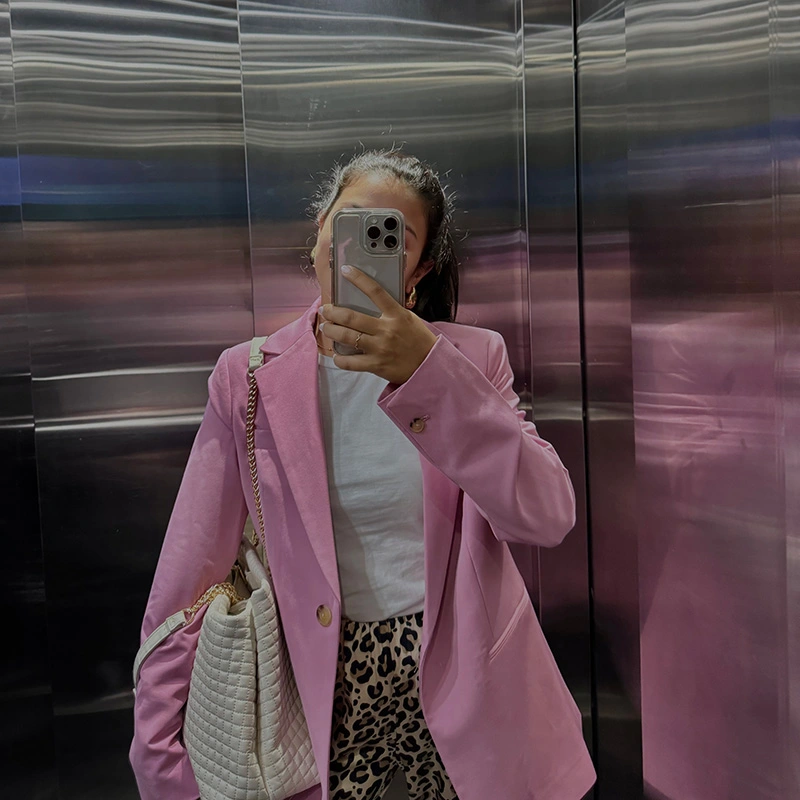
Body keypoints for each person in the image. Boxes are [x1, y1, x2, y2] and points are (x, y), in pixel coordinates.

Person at [129, 148, 597, 800]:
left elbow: (545, 515)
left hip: (466, 677)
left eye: (390, 237)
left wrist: (429, 373)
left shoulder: (471, 358)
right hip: (318, 691)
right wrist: (157, 747)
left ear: (419, 267)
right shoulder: (249, 378)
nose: (359, 250)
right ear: (319, 230)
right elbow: (190, 569)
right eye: (350, 224)